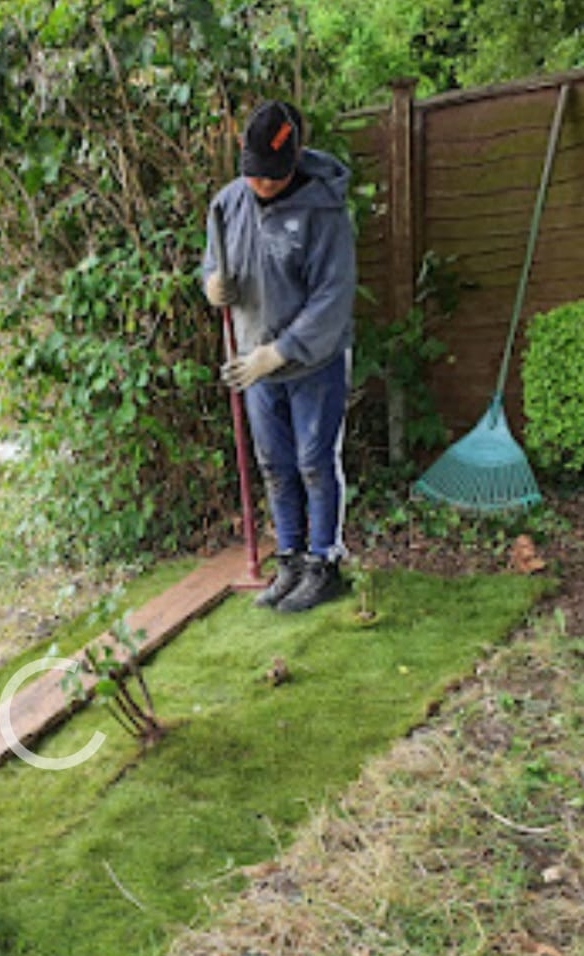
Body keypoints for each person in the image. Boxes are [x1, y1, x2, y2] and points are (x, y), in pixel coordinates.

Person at [202, 99, 357, 612]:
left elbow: (333, 298)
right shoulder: (227, 204)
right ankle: (288, 561)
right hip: (254, 365)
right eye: (252, 176)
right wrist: (213, 285)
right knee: (274, 464)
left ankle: (324, 564)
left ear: (292, 165)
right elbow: (212, 263)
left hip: (315, 364)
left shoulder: (324, 212)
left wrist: (280, 352)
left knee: (315, 462)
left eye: (270, 178)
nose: (259, 187)